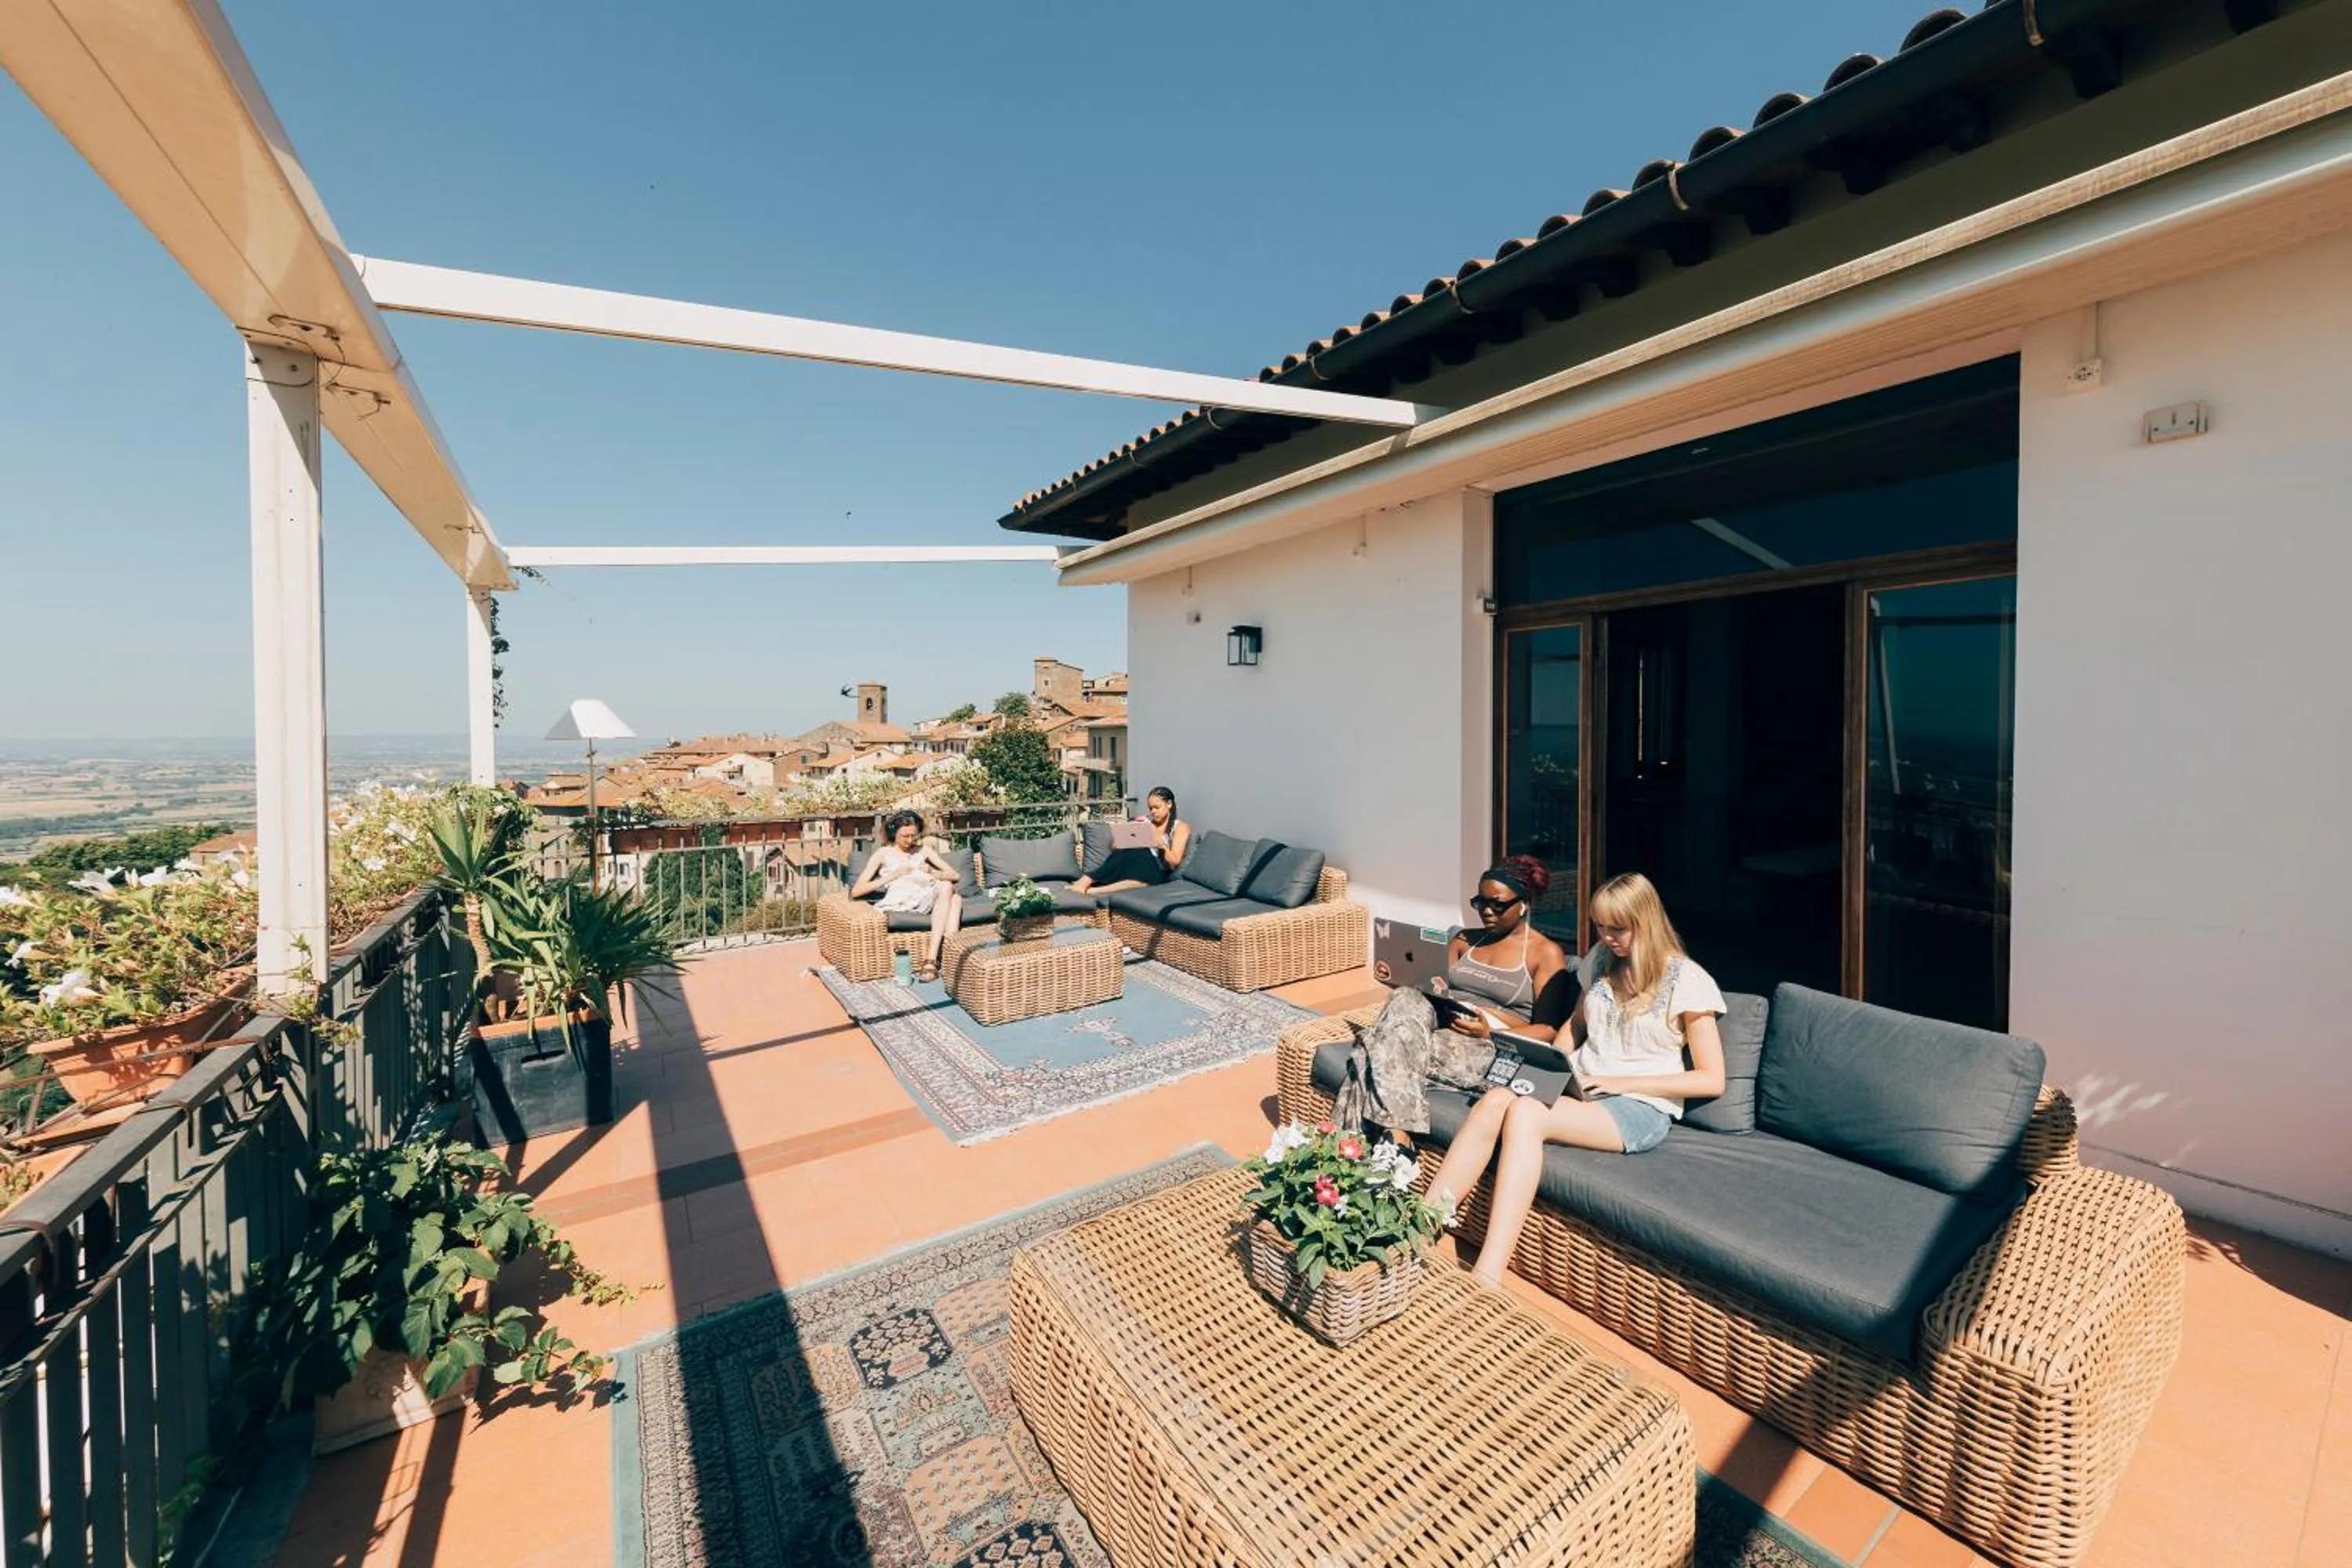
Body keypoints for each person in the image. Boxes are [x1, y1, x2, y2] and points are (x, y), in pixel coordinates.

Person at [1425, 870, 1726, 1288]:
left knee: (1527, 1114)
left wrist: (1623, 1084)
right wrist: (1549, 1062)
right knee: (1494, 1100)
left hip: (1637, 1106)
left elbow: (1712, 1080)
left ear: (1647, 922)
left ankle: (1488, 1274)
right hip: (1581, 1087)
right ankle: (1421, 1229)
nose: (1607, 938)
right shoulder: (1600, 963)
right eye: (1600, 927)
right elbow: (1575, 1027)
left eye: (1617, 928)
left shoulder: (1687, 980)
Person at [1330, 856, 1577, 1140]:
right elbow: (1433, 989)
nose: (1486, 911)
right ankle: (1396, 1138)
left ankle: (1347, 1148)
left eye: (1497, 904)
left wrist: (1489, 1032)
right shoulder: (1464, 940)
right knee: (1405, 996)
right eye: (1480, 902)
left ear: (1525, 903)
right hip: (1443, 1023)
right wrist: (1398, 975)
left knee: (1374, 1045)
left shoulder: (1545, 953)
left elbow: (1548, 1030)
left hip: (1492, 1045)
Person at [850, 809, 965, 982]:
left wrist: (931, 872)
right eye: (905, 836)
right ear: (893, 833)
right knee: (953, 897)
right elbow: (856, 891)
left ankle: (933, 959)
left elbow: (954, 875)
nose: (910, 840)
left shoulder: (923, 850)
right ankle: (943, 958)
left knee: (953, 895)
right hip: (903, 899)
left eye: (914, 836)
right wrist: (893, 875)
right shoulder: (883, 854)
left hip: (928, 895)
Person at [1070, 786, 1191, 896]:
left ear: (1169, 804)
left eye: (1157, 807)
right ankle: (1086, 884)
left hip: (1160, 870)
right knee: (1126, 853)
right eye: (1150, 808)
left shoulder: (1180, 827)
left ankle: (1091, 888)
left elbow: (1175, 860)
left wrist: (1161, 845)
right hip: (1138, 864)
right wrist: (1127, 836)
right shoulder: (1147, 823)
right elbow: (1114, 847)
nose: (1153, 811)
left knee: (1139, 855)